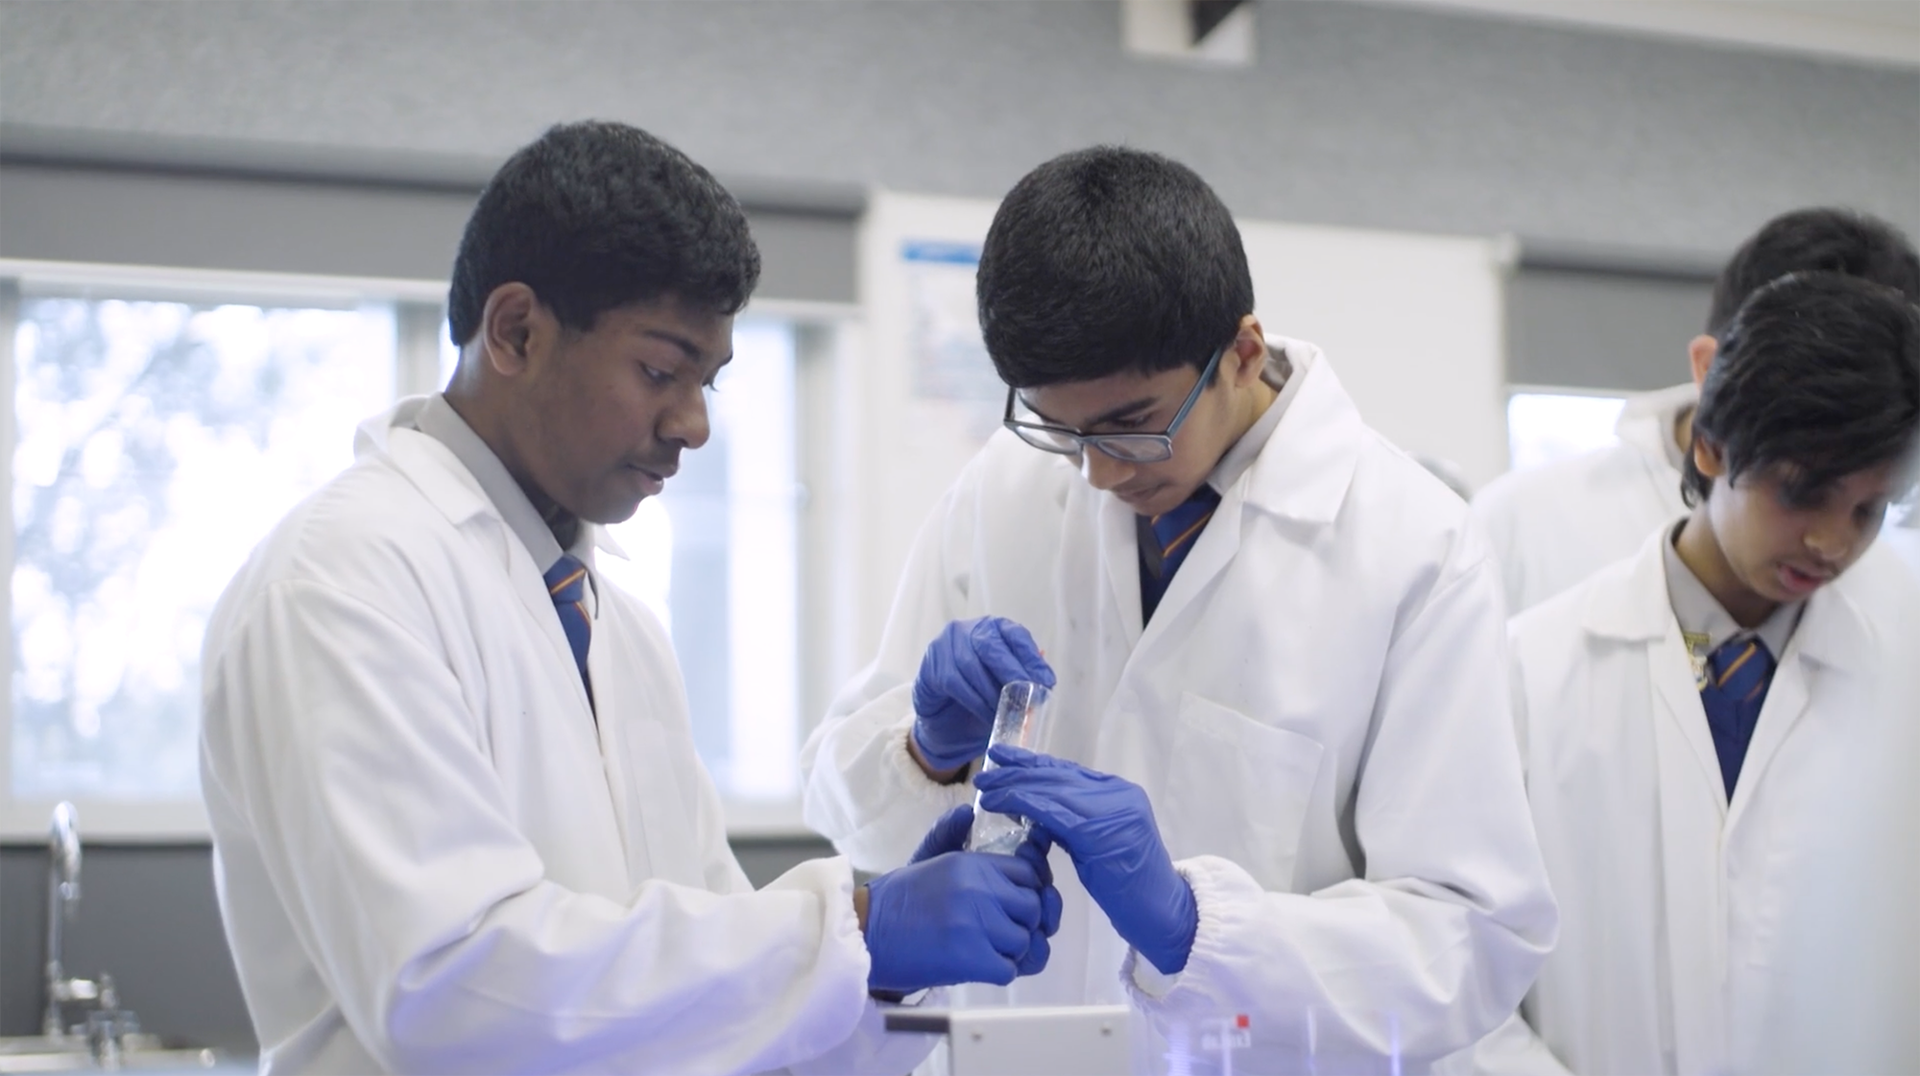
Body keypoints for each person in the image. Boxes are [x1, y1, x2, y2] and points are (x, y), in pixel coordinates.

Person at [198, 121, 1059, 1076]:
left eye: (710, 382)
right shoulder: (341, 581)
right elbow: (451, 987)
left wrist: (880, 970)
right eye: (660, 369)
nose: (692, 424)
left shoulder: (618, 628)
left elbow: (712, 1002)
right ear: (517, 331)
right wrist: (855, 926)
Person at [800, 145, 1557, 1073]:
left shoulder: (1414, 549)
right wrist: (928, 751)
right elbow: (854, 819)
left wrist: (1196, 926)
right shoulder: (1002, 492)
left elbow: (1471, 941)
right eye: (1061, 429)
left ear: (1241, 351)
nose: (1100, 473)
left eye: (1133, 424)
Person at [1441, 271, 1920, 1076]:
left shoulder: (1898, 687)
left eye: (1869, 511)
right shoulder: (1530, 672)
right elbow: (1458, 959)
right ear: (1709, 445)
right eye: (1804, 493)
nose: (1833, 544)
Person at [1471, 208, 1920, 614]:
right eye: (1801, 489)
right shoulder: (1520, 522)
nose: (1829, 540)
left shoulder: (1891, 593)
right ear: (1712, 366)